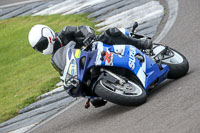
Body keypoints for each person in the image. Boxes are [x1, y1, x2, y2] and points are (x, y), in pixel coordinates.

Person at [28, 24, 152, 108]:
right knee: (96, 101)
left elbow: (83, 28)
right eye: (39, 48)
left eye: (43, 44)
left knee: (110, 33)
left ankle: (140, 43)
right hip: (85, 65)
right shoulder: (55, 59)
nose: (43, 49)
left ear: (48, 35)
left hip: (94, 47)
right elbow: (63, 71)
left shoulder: (65, 33)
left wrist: (88, 35)